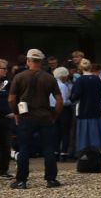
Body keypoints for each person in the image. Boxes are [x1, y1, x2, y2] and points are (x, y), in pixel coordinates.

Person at [8, 49, 63, 189]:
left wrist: (16, 113)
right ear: (41, 61)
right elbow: (59, 100)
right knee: (49, 148)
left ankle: (21, 180)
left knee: (24, 148)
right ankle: (51, 179)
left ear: (28, 61)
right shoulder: (49, 78)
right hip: (45, 116)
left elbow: (11, 99)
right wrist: (54, 115)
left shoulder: (19, 77)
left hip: (26, 116)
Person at [53, 67, 75, 159]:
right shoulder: (63, 86)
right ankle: (64, 152)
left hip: (53, 109)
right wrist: (72, 101)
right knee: (65, 132)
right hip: (64, 110)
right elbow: (64, 101)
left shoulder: (52, 84)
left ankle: (55, 151)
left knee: (56, 131)